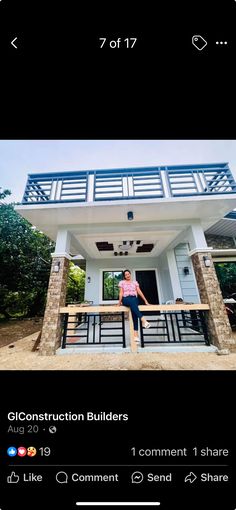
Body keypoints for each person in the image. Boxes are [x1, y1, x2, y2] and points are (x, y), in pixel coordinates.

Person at [117, 269, 150, 342]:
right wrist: (119, 303)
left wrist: (145, 301)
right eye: (126, 275)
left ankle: (136, 334)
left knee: (134, 309)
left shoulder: (135, 283)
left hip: (134, 299)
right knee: (133, 303)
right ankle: (143, 320)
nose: (127, 275)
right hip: (125, 299)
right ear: (124, 276)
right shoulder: (122, 282)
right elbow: (121, 293)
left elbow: (139, 292)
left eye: (128, 274)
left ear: (130, 274)